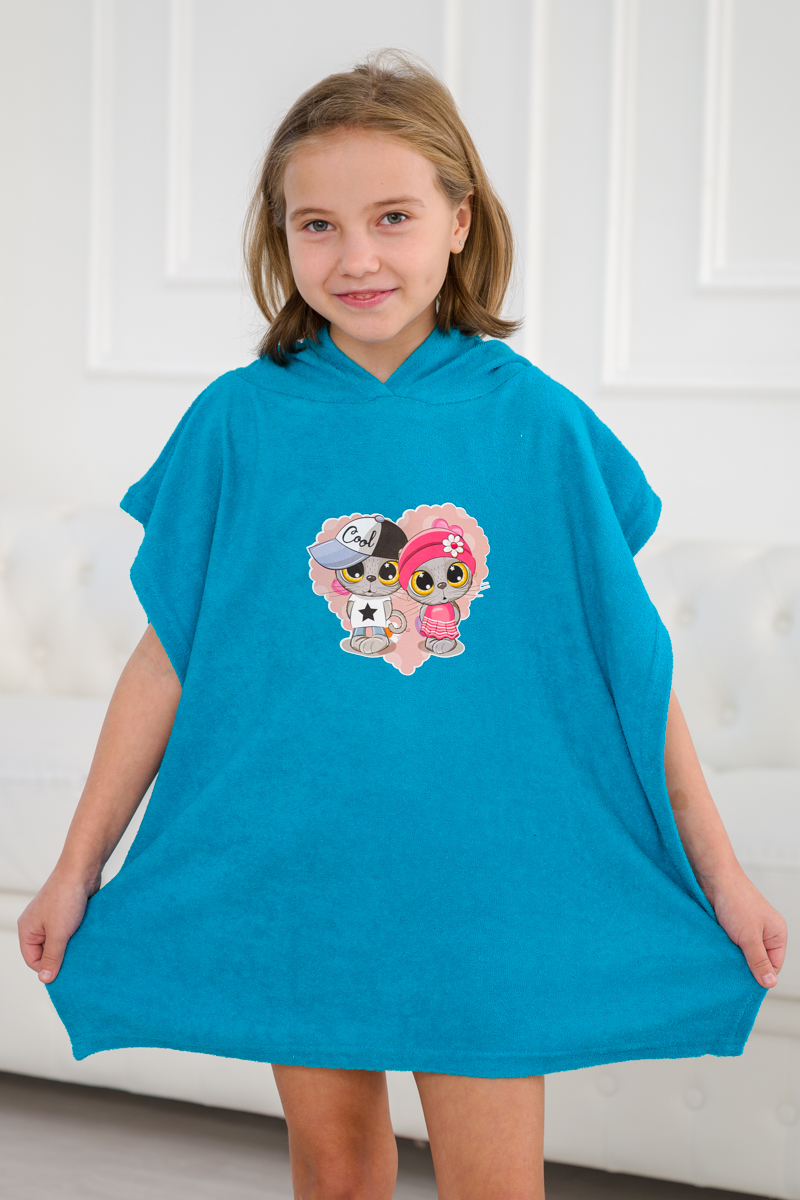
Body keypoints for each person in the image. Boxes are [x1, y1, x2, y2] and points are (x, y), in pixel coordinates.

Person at [17, 49, 787, 1200]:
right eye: (316, 225)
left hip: (484, 878)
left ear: (458, 222)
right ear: (280, 238)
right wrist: (75, 869)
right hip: (297, 865)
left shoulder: (536, 426)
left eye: (391, 217)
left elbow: (631, 667)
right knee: (334, 1174)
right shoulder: (236, 423)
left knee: (493, 1187)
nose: (356, 258)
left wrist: (718, 876)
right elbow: (165, 661)